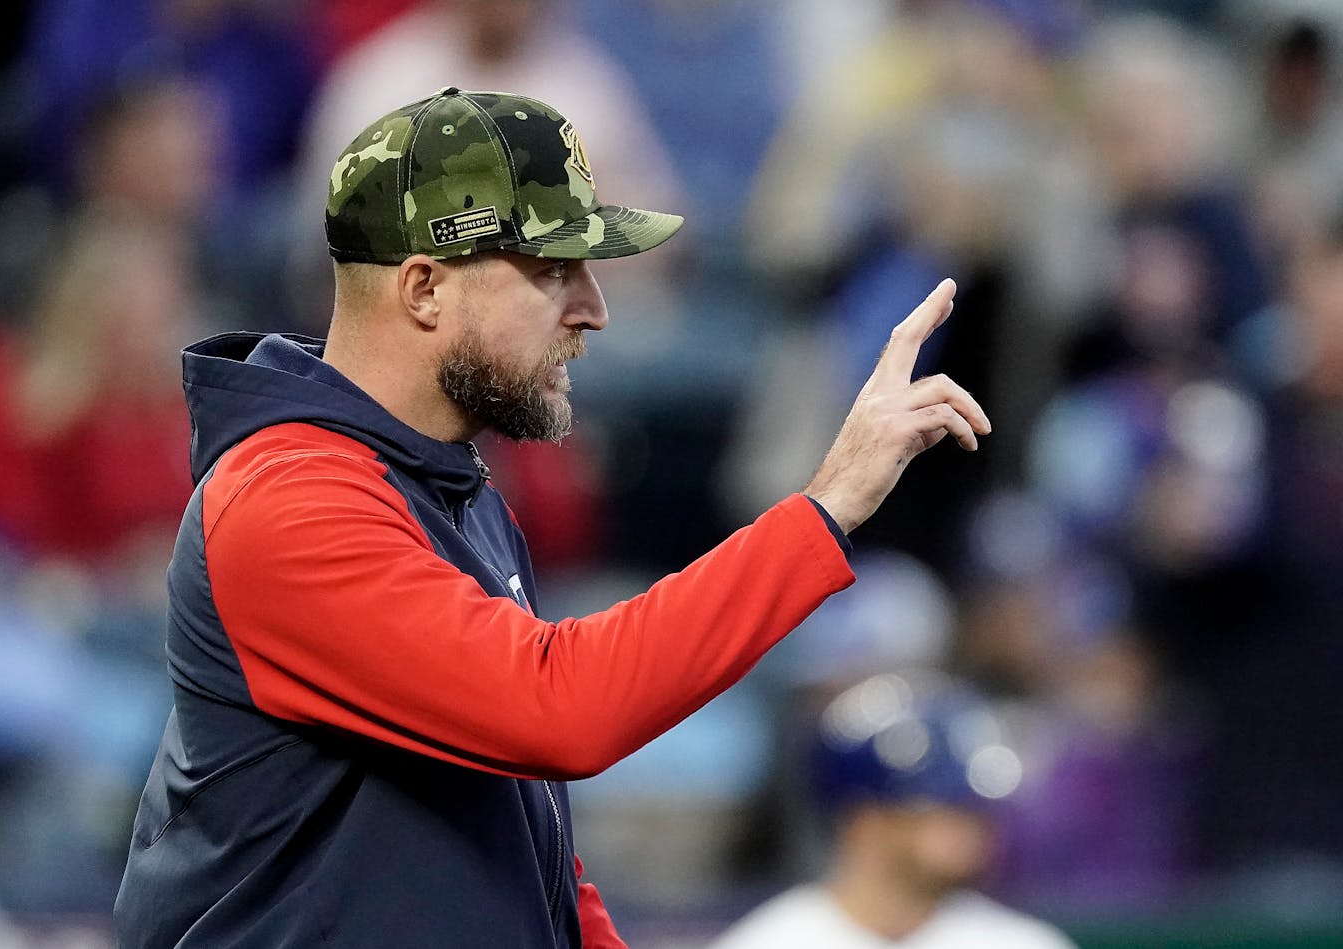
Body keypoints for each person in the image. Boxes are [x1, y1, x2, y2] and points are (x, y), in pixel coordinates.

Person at [113, 87, 991, 948]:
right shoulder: (289, 498)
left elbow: (524, 835)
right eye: (551, 271)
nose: (593, 309)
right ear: (424, 287)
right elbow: (559, 709)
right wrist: (825, 508)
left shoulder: (451, 493)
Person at [709, 671, 1076, 949]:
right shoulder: (769, 942)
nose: (973, 826)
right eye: (945, 806)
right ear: (864, 821)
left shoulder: (1024, 943)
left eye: (975, 806)